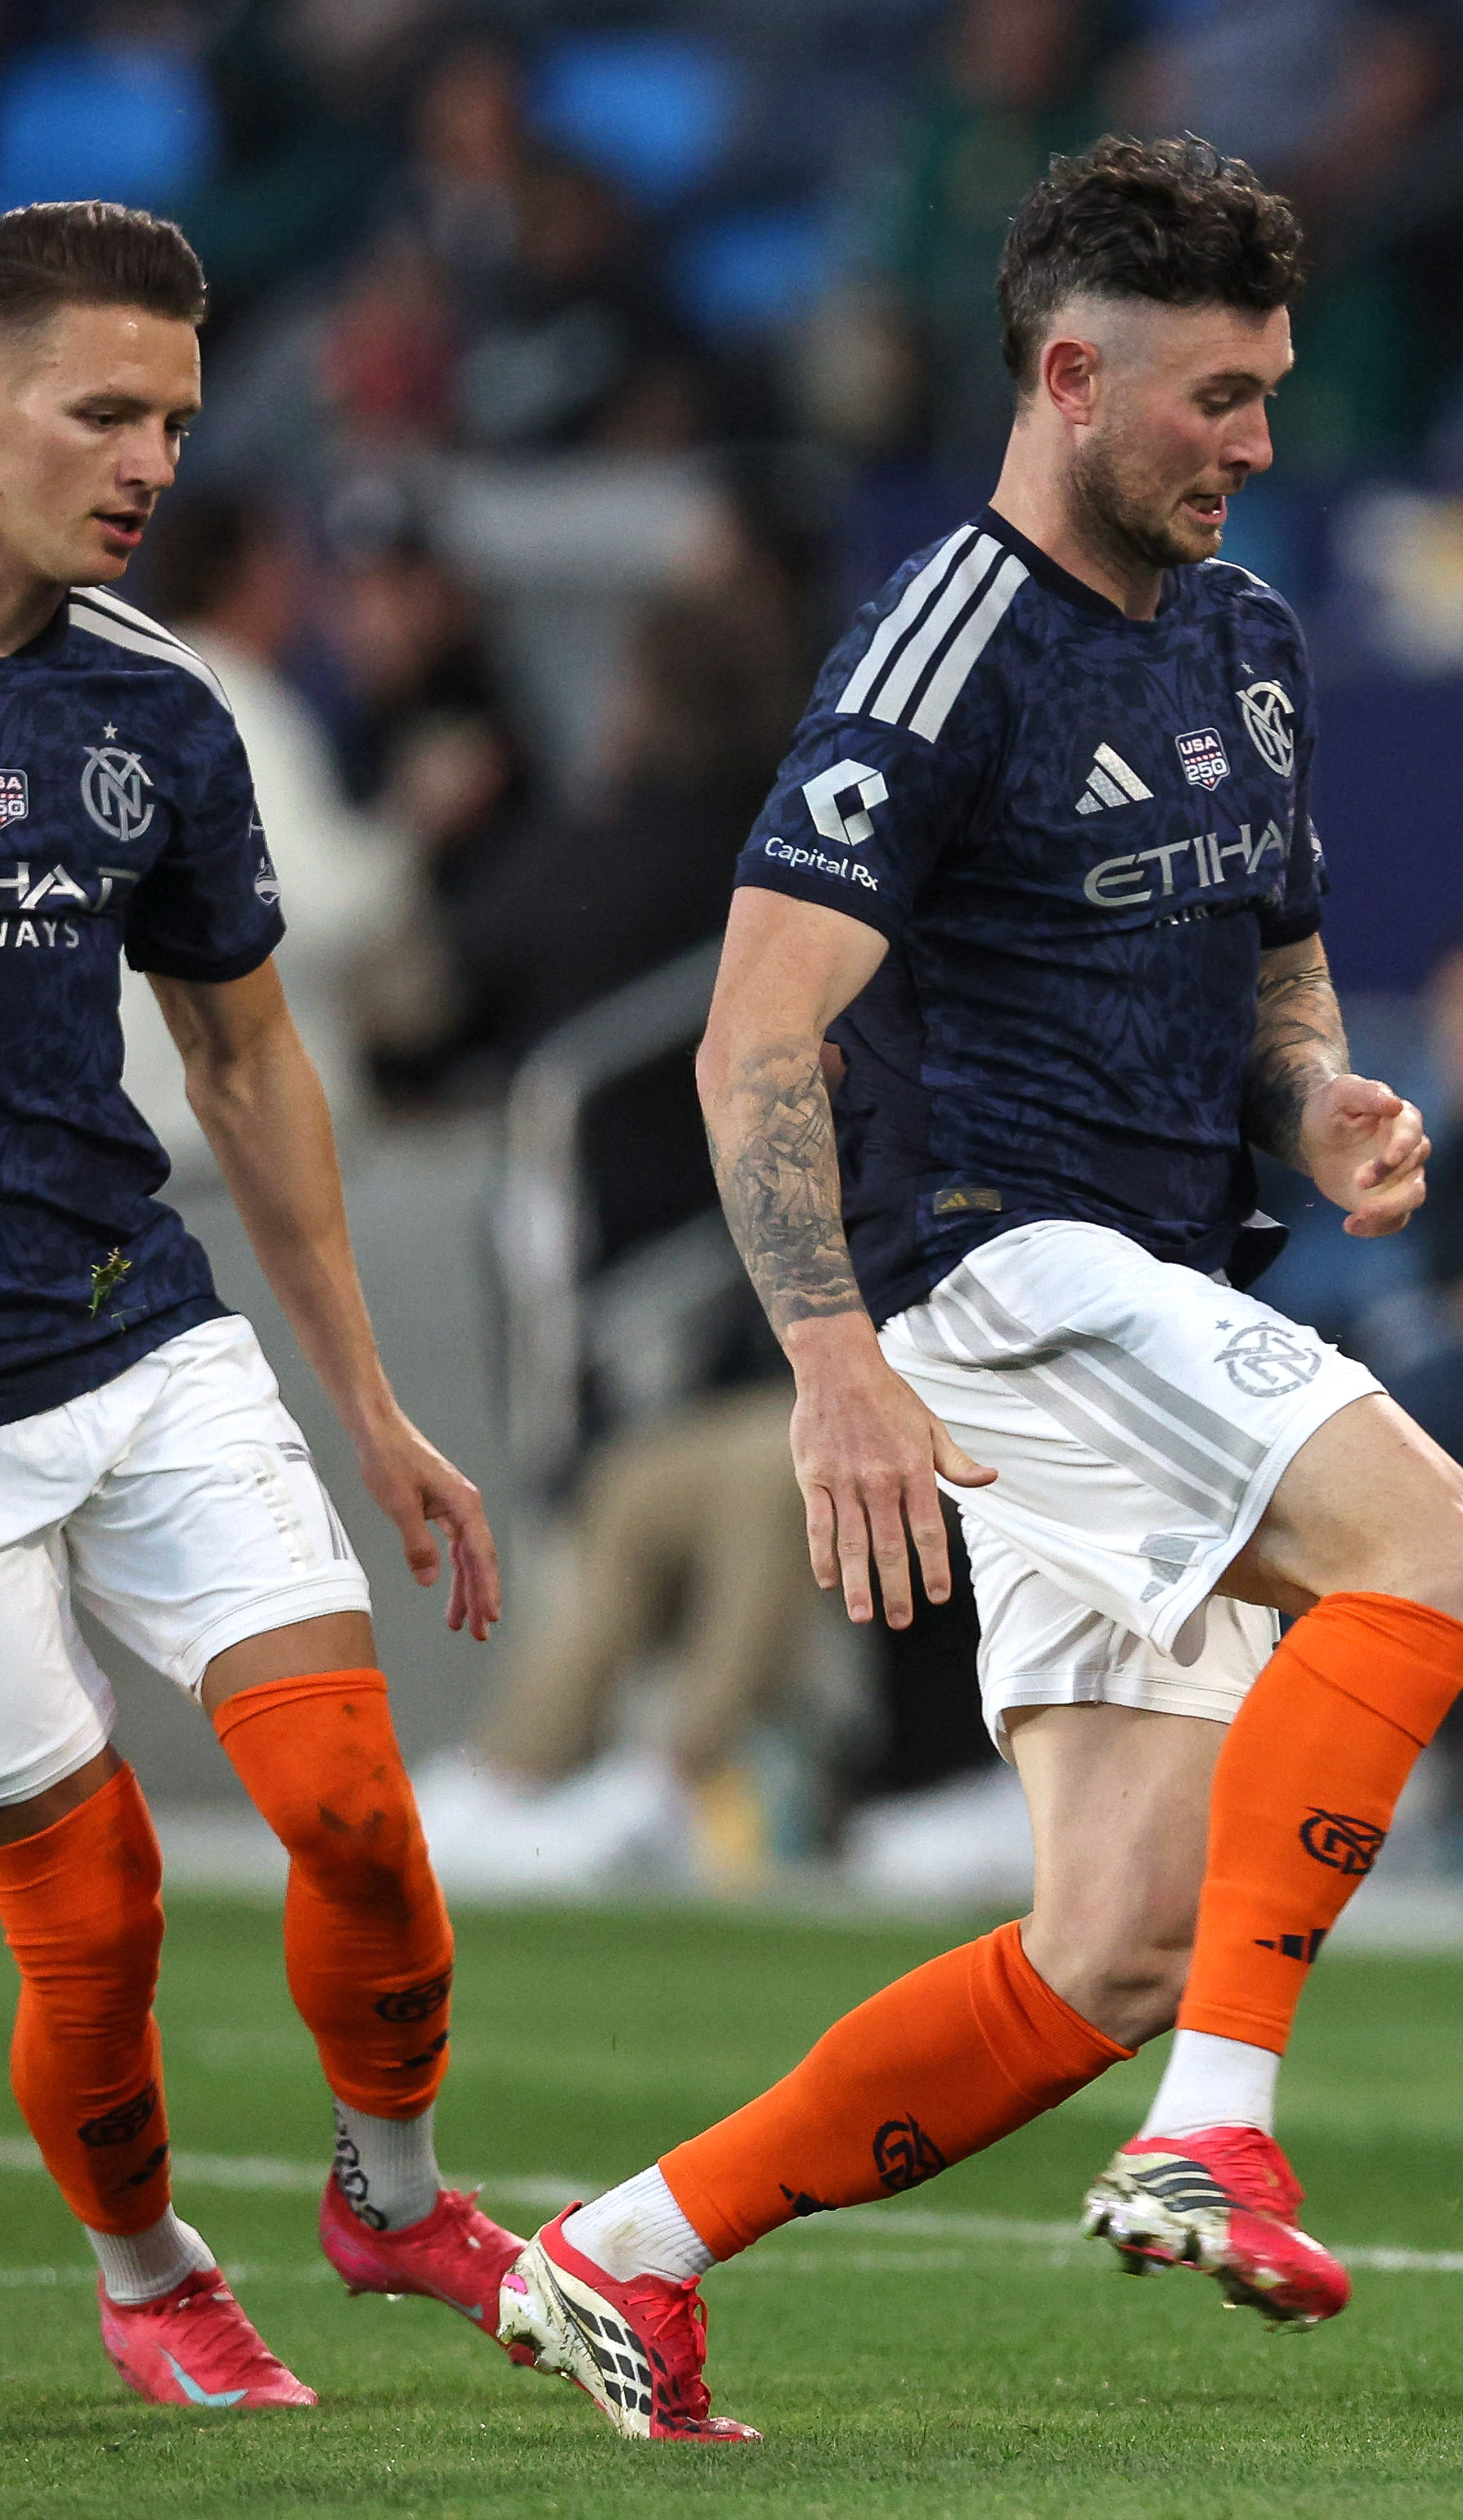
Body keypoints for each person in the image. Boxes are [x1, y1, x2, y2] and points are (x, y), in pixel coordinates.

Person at [492, 137, 1463, 2444]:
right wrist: (831, 1359)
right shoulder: (941, 640)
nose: (1259, 446)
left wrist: (1324, 1107)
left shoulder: (1244, 633)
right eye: (1217, 400)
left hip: (1149, 1271)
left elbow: (1277, 973)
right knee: (1440, 1547)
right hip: (992, 1272)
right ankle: (1213, 2140)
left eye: (1266, 397)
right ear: (1071, 375)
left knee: (1119, 1947)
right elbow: (752, 1028)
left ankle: (622, 2254)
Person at [0, 201, 512, 2410]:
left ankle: (388, 2198)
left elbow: (243, 1055)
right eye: (100, 408)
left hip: (135, 1322)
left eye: (179, 419)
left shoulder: (153, 710)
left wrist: (370, 1399)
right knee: (92, 1903)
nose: (150, 457)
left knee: (357, 1816)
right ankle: (146, 2268)